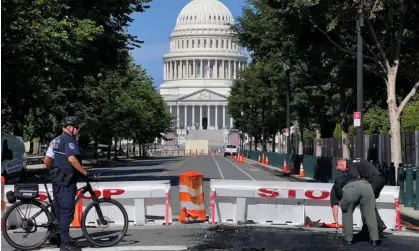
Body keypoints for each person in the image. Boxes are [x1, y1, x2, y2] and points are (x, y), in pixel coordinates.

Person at [50, 116, 88, 251]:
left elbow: (48, 159)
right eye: (76, 127)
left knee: (60, 209)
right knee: (67, 210)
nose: (78, 130)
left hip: (58, 179)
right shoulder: (69, 140)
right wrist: (84, 172)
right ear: (70, 128)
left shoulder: (57, 140)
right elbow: (71, 159)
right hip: (66, 181)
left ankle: (58, 236)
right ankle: (65, 244)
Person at [336, 159, 387, 238]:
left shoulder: (350, 165)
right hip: (378, 179)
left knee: (366, 203)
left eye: (339, 169)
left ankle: (378, 225)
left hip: (373, 180)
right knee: (367, 203)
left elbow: (356, 179)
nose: (341, 171)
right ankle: (369, 228)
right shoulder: (354, 162)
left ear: (341, 165)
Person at [330, 175, 381, 246]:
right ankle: (375, 240)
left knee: (347, 213)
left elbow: (335, 206)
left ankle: (348, 240)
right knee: (370, 214)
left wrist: (336, 223)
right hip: (366, 186)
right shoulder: (353, 177)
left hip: (349, 189)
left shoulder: (334, 187)